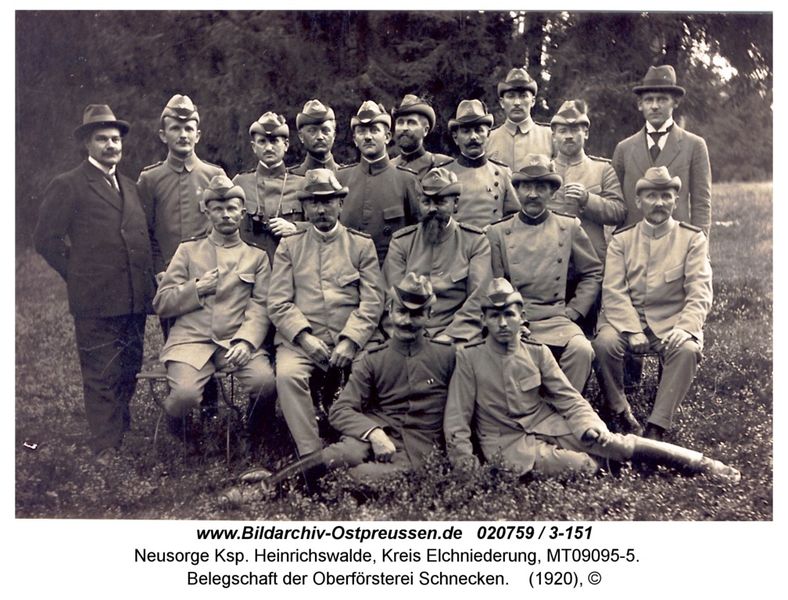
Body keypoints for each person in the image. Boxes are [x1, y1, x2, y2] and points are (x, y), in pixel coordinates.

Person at [444, 279, 738, 484]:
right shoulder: (470, 358)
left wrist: (590, 425)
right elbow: (457, 420)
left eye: (508, 314)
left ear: (521, 316)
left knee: (613, 442)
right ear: (483, 320)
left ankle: (701, 464)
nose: (502, 323)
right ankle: (627, 467)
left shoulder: (536, 351)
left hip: (547, 425)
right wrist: (467, 467)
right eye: (494, 316)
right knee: (582, 465)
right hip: (506, 443)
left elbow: (569, 398)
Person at [34, 104, 154, 464]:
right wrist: (77, 273)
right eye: (102, 139)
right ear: (87, 143)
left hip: (132, 299)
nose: (111, 145)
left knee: (129, 367)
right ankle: (106, 447)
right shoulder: (69, 184)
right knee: (101, 372)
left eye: (115, 139)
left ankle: (120, 431)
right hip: (95, 299)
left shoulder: (130, 187)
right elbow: (46, 239)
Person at [264, 273, 456, 488]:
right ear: (390, 310)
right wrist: (374, 433)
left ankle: (322, 488)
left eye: (417, 314)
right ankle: (264, 488)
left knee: (360, 477)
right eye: (401, 312)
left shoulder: (447, 356)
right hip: (375, 435)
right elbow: (341, 409)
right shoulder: (374, 359)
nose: (406, 321)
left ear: (429, 314)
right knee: (340, 454)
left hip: (419, 448)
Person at [268, 169, 384, 459]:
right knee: (288, 375)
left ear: (340, 204)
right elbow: (278, 302)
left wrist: (351, 340)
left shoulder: (361, 245)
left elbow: (372, 301)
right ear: (304, 207)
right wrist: (304, 338)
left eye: (328, 201)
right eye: (313, 202)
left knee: (373, 370)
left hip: (353, 340)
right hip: (302, 341)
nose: (321, 209)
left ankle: (361, 439)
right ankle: (311, 454)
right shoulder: (289, 246)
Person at [592, 166, 713, 440]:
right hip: (625, 319)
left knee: (687, 349)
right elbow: (613, 290)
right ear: (638, 201)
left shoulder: (692, 239)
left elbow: (700, 291)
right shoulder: (622, 240)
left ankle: (657, 426)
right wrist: (632, 329)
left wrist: (685, 327)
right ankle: (620, 410)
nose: (659, 203)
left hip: (671, 321)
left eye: (666, 196)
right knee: (604, 344)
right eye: (651, 196)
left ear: (675, 201)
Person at [152, 175, 276, 428]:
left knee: (265, 383)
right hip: (190, 341)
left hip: (234, 341)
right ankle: (178, 427)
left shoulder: (257, 257)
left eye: (231, 208)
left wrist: (247, 341)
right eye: (218, 209)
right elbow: (162, 302)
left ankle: (254, 431)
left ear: (242, 213)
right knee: (184, 396)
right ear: (207, 213)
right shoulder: (187, 251)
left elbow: (261, 306)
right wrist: (196, 288)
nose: (225, 215)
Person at [486, 154, 602, 392]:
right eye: (526, 187)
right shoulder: (498, 232)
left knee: (582, 350)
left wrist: (575, 310)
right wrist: (512, 318)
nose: (533, 194)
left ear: (552, 192)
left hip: (557, 317)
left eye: (540, 188)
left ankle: (567, 408)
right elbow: (496, 283)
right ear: (517, 190)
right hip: (516, 318)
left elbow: (592, 272)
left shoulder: (568, 227)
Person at [383, 167, 491, 344]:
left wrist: (450, 337)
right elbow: (390, 297)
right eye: (426, 202)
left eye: (440, 202)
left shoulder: (475, 242)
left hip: (456, 337)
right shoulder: (401, 242)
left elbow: (478, 299)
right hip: (408, 333)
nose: (432, 209)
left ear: (456, 204)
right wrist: (407, 336)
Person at [550, 99, 626, 334]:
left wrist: (588, 200)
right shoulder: (543, 171)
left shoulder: (602, 169)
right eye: (563, 130)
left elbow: (618, 211)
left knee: (587, 331)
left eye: (575, 130)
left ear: (586, 133)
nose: (569, 136)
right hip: (549, 265)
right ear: (554, 136)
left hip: (590, 266)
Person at [612, 65, 712, 237]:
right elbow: (614, 203)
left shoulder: (694, 145)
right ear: (640, 104)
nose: (655, 106)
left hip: (677, 241)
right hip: (633, 242)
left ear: (675, 102)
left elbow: (702, 204)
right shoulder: (624, 148)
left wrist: (699, 245)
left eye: (662, 99)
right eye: (648, 100)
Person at [137, 94, 226, 277]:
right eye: (175, 128)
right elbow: (144, 233)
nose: (183, 135)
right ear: (163, 135)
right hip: (165, 275)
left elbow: (227, 228)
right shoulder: (150, 179)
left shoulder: (215, 176)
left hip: (209, 272)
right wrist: (158, 270)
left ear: (197, 135)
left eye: (189, 129)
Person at [337, 100, 422, 265]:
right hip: (349, 269)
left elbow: (418, 235)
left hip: (391, 270)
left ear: (387, 137)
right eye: (361, 132)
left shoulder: (406, 180)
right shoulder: (341, 178)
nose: (368, 137)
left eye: (374, 130)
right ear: (354, 139)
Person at [233, 112, 305, 265]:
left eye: (274, 141)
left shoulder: (302, 185)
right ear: (254, 147)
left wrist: (296, 227)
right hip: (249, 269)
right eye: (262, 142)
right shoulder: (240, 183)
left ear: (286, 145)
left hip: (290, 268)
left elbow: (321, 228)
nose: (268, 148)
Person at [443, 99, 520, 229]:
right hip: (457, 240)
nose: (473, 137)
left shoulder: (502, 172)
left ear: (488, 134)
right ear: (455, 138)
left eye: (479, 130)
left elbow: (513, 217)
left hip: (492, 240)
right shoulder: (444, 173)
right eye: (466, 131)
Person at [486, 67, 553, 170]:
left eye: (523, 96)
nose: (517, 102)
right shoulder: (488, 139)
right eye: (511, 96)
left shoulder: (550, 136)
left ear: (533, 101)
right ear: (502, 102)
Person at [391, 94, 452, 178]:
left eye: (411, 123)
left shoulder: (442, 164)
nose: (404, 128)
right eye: (400, 123)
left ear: (425, 130)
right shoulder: (389, 167)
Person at [289, 99, 342, 176]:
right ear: (301, 136)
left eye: (325, 130)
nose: (320, 137)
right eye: (312, 131)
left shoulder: (347, 176)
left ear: (334, 134)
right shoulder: (291, 177)